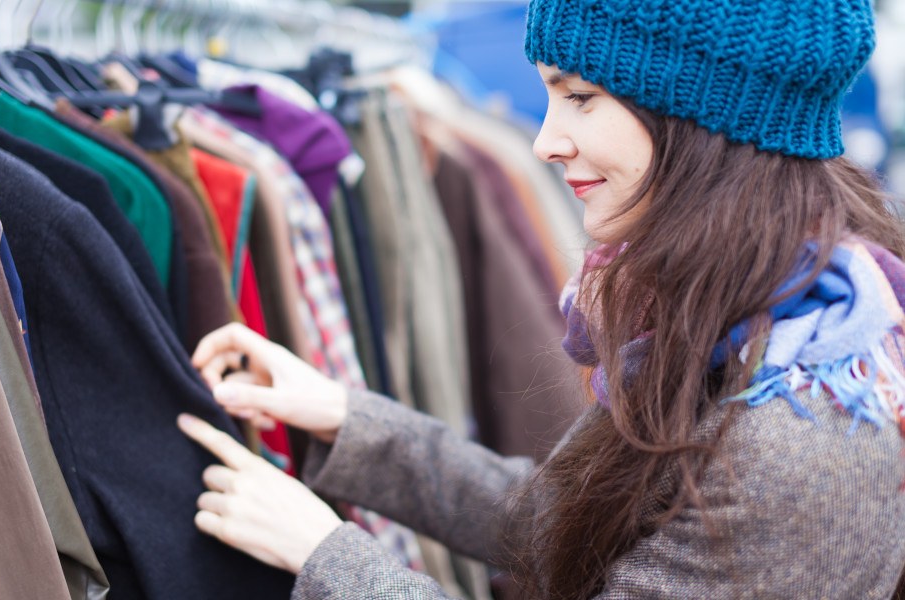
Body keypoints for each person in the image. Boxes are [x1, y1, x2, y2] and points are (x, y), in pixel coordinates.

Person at [177, 0, 905, 597]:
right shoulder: (750, 316)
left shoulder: (798, 434)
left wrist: (325, 554)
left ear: (703, 117)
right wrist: (348, 421)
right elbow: (576, 526)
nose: (545, 140)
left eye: (580, 98)